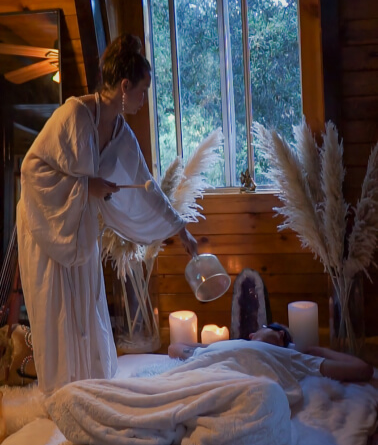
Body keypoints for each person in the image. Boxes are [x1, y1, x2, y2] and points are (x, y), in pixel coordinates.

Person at [16, 33, 198, 395]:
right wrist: (87, 188)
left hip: (78, 227)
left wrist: (181, 229)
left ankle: (87, 390)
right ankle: (62, 396)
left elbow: (147, 186)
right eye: (143, 91)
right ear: (125, 86)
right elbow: (31, 171)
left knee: (85, 304)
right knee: (58, 309)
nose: (144, 101)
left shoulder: (121, 133)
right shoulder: (74, 114)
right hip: (47, 223)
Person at [168, 323, 374, 382]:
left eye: (286, 337)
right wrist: (204, 351)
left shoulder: (291, 358)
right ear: (251, 335)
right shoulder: (227, 344)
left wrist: (316, 350)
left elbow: (363, 370)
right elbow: (173, 348)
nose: (282, 335)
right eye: (276, 329)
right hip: (204, 376)